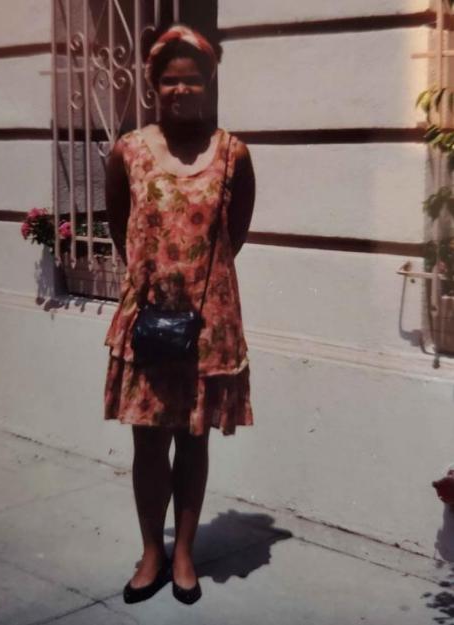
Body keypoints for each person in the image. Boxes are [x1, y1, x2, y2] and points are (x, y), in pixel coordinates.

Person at [103, 24, 256, 605]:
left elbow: (234, 232)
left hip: (209, 328)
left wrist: (198, 284)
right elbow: (121, 227)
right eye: (169, 81)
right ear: (153, 87)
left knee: (193, 442)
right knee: (148, 444)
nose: (180, 91)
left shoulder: (233, 154)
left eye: (191, 81)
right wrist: (157, 282)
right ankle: (152, 552)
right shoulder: (129, 151)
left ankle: (185, 553)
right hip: (148, 324)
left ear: (209, 85)